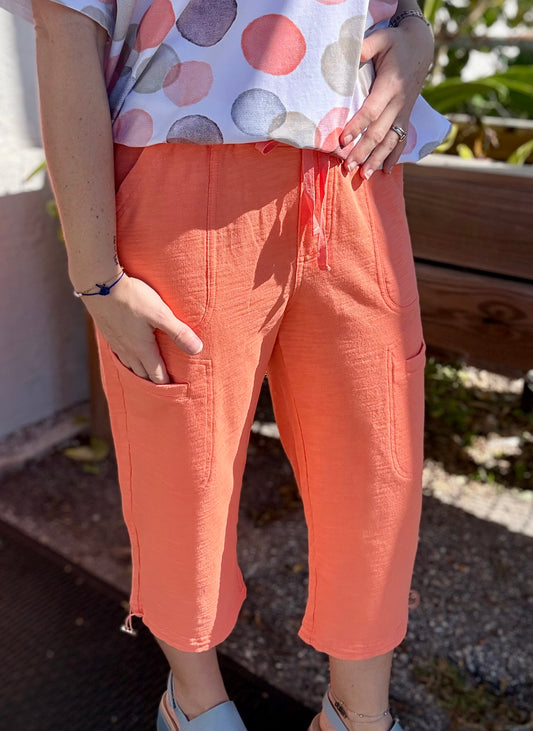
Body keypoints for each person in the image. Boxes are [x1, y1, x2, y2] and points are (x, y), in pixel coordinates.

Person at [5, 0, 450, 728]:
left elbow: (394, 12)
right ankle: (195, 705)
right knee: (181, 476)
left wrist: (417, 38)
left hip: (357, 173)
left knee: (377, 468)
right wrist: (95, 274)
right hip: (182, 165)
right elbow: (66, 23)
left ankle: (358, 715)